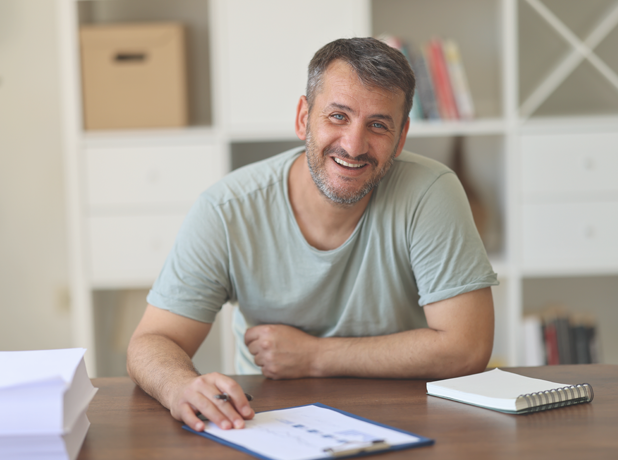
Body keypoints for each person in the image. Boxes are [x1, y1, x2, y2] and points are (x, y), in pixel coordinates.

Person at [127, 37, 498, 433]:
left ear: (401, 137)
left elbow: (466, 348)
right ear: (304, 117)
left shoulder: (431, 192)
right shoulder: (226, 208)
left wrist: (316, 356)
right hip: (268, 420)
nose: (353, 146)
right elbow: (152, 341)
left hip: (408, 416)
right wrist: (180, 387)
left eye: (377, 125)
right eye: (338, 116)